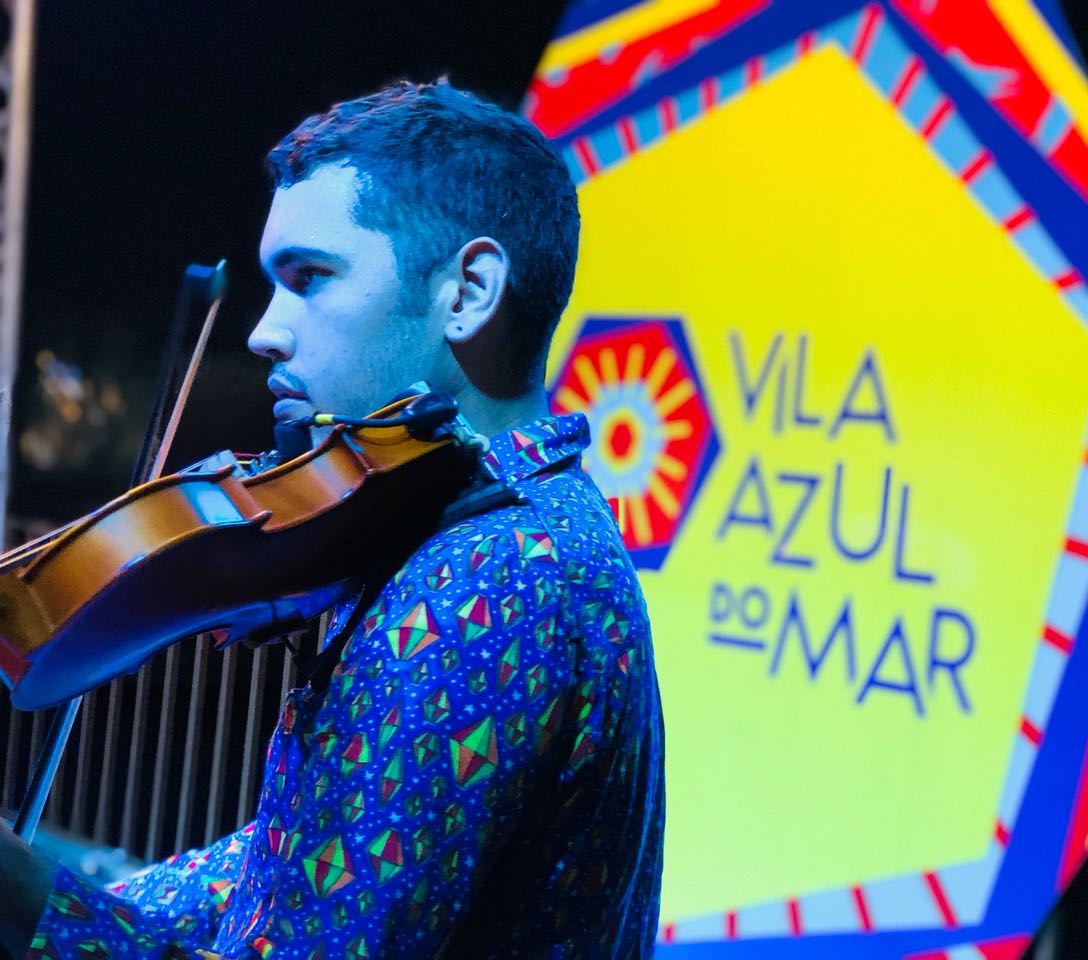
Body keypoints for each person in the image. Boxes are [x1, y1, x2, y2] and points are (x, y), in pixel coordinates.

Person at [0, 81, 664, 959]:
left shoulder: (493, 579)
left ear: (468, 291)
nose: (264, 333)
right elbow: (289, 866)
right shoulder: (507, 524)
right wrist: (60, 892)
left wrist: (23, 898)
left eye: (309, 277)